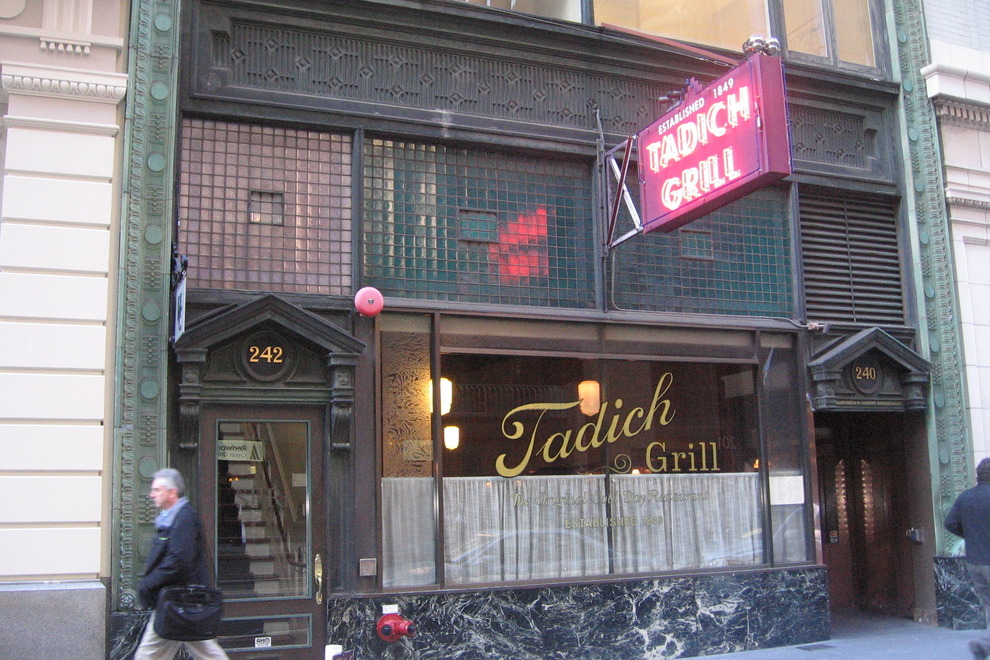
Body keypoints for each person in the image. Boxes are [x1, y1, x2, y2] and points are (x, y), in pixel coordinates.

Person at [135, 468, 230, 660]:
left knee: (148, 655)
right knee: (206, 652)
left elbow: (179, 560)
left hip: (181, 600)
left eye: (157, 490)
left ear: (172, 492)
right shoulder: (171, 518)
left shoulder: (184, 517)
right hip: (178, 601)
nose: (152, 494)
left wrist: (149, 583)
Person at [945, 457, 990, 660]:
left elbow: (950, 523)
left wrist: (970, 536)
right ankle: (984, 645)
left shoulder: (965, 498)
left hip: (974, 563)